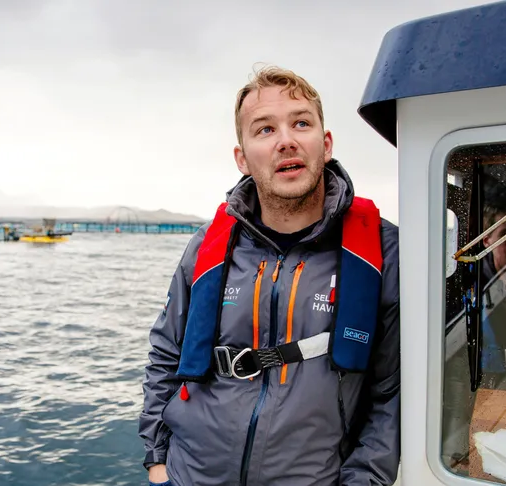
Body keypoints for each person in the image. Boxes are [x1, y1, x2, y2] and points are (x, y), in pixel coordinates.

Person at [138, 65, 401, 486]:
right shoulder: (208, 246)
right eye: (264, 130)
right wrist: (157, 463)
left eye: (301, 122)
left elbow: (392, 394)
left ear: (326, 143)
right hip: (189, 475)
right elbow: (166, 353)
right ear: (242, 157)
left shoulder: (381, 251)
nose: (286, 140)